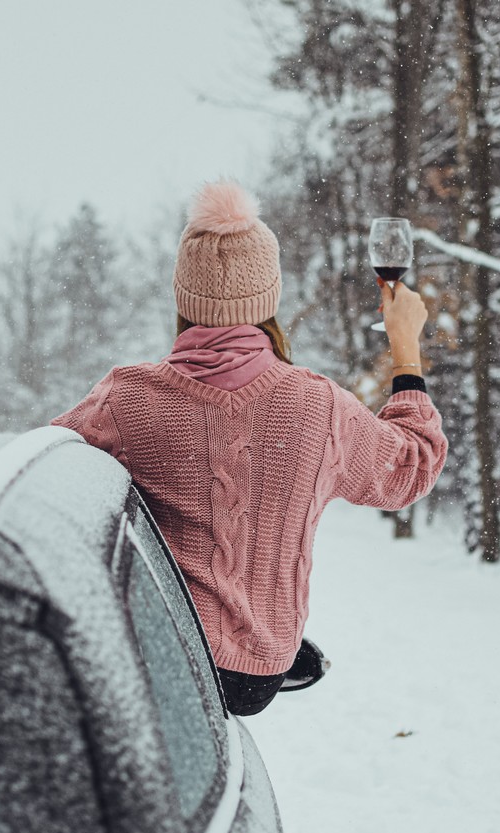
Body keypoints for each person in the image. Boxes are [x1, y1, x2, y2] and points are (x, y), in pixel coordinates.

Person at [52, 180, 447, 716]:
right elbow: (410, 468)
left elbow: (42, 469)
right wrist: (405, 350)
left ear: (184, 298)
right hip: (257, 672)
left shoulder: (128, 397)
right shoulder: (319, 406)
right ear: (268, 300)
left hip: (162, 653)